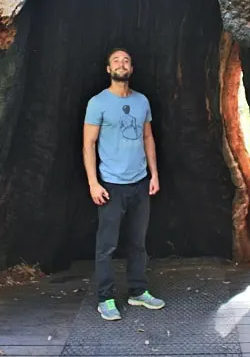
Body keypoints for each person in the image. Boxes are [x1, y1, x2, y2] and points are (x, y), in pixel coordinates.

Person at [83, 48, 166, 321]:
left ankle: (138, 291)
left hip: (140, 183)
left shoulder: (142, 101)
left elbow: (148, 138)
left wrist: (153, 174)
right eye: (116, 60)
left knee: (138, 243)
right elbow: (88, 144)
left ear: (132, 68)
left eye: (126, 60)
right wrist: (94, 183)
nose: (122, 64)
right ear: (108, 69)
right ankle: (105, 298)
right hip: (111, 185)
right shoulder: (98, 103)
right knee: (106, 245)